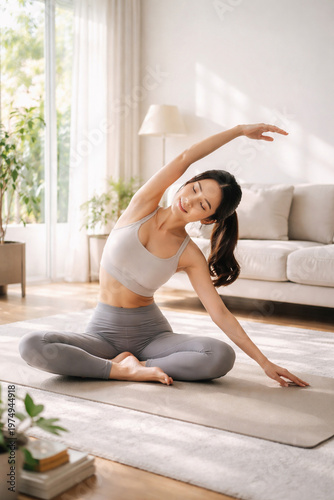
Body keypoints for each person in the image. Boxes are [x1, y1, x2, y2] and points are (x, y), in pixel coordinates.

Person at [19, 123, 309, 388]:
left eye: (203, 205)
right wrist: (239, 130)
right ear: (187, 182)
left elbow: (219, 313)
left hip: (151, 336)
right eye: (194, 189)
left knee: (219, 355)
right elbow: (186, 157)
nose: (190, 200)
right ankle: (121, 369)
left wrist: (264, 362)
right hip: (101, 333)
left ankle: (138, 366)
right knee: (32, 344)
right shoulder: (142, 205)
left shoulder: (190, 254)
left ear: (207, 220)